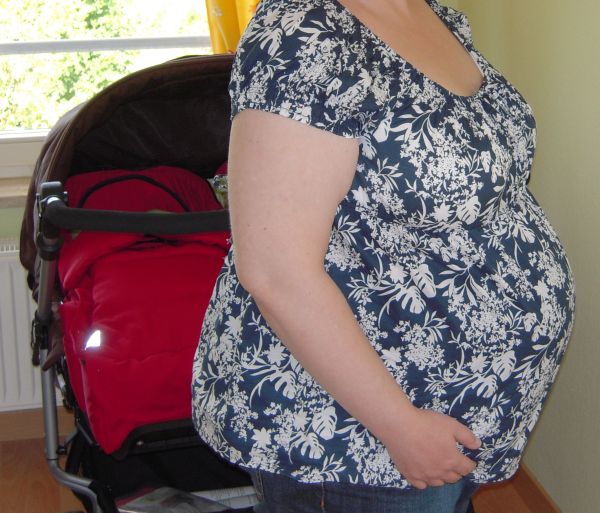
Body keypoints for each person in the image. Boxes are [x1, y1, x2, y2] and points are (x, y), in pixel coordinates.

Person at [192, 0, 575, 511]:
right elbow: (275, 272)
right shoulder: (304, 32)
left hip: (453, 414)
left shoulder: (429, 11)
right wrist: (401, 427)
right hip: (361, 438)